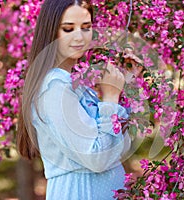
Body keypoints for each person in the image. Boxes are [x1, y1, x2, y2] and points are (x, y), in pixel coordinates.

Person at [17, 0, 133, 199]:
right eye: (68, 29)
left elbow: (119, 149)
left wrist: (124, 86)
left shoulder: (75, 85)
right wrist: (111, 97)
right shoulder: (54, 88)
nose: (79, 37)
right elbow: (98, 159)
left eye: (86, 27)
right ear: (51, 31)